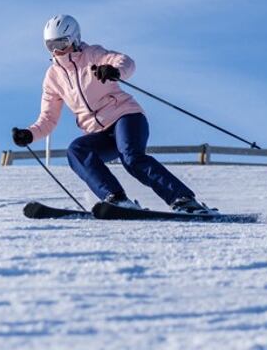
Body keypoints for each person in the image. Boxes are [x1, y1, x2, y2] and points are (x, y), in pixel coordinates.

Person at [12, 14, 210, 213]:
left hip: (126, 117)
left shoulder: (93, 55)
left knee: (131, 158)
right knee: (77, 151)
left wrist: (113, 70)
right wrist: (30, 134)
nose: (57, 51)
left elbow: (126, 62)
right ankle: (115, 198)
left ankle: (183, 199)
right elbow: (48, 118)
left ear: (74, 39)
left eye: (61, 43)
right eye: (50, 46)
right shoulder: (53, 77)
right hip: (98, 133)